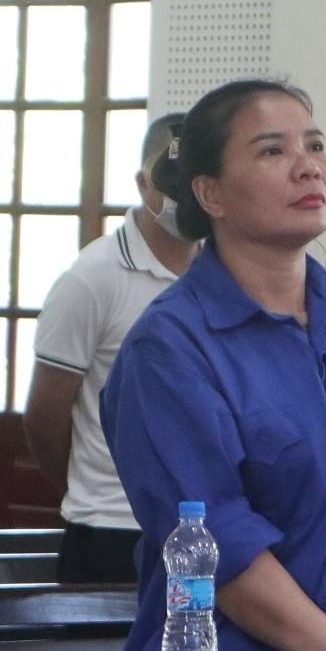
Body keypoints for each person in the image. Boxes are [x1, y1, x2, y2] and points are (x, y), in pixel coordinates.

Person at [99, 79, 326, 651]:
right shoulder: (168, 348)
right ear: (211, 194)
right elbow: (219, 546)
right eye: (273, 150)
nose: (308, 167)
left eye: (315, 146)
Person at [23, 112, 198, 583]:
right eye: (172, 183)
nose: (185, 199)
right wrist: (91, 487)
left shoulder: (225, 275)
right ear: (143, 183)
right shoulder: (92, 278)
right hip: (109, 529)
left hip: (199, 527)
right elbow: (44, 418)